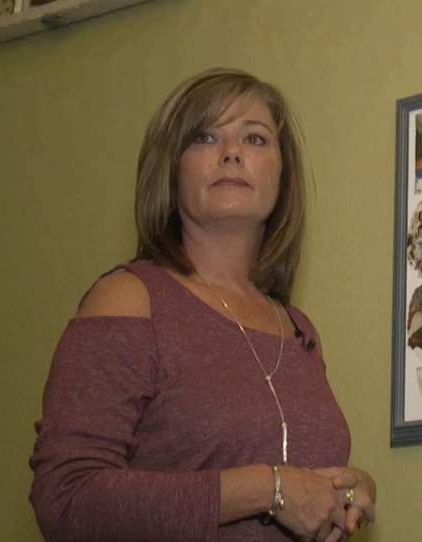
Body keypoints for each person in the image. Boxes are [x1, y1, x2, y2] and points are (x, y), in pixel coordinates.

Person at [28, 68, 376, 542]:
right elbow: (67, 499)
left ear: (282, 173)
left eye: (255, 139)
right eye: (206, 136)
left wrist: (348, 492)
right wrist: (265, 487)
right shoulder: (129, 300)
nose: (232, 152)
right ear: (171, 169)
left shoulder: (297, 328)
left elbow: (302, 492)